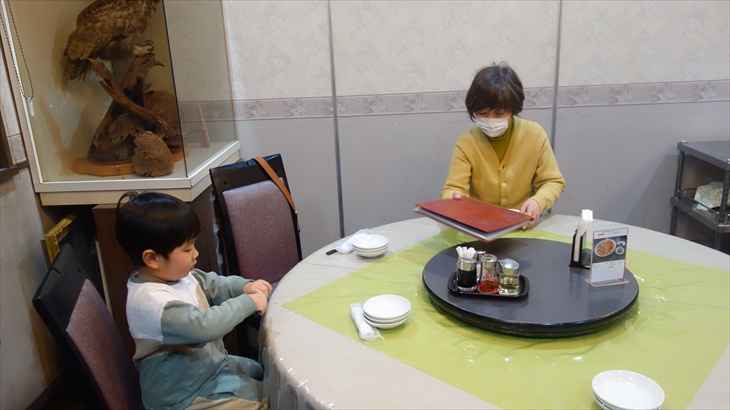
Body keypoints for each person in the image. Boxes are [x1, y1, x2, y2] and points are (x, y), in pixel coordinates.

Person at [115, 191, 271, 410]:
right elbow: (205, 327)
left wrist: (244, 286)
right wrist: (249, 301)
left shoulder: (176, 275)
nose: (195, 254)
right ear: (152, 258)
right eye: (187, 249)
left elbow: (212, 283)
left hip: (208, 368)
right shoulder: (154, 304)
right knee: (270, 399)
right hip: (182, 396)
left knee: (259, 371)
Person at [441, 62, 565, 228]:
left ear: (512, 109)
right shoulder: (467, 142)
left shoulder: (534, 135)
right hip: (479, 228)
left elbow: (553, 181)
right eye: (483, 113)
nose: (491, 120)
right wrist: (452, 197)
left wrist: (538, 201)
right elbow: (452, 188)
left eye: (499, 113)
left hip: (523, 225)